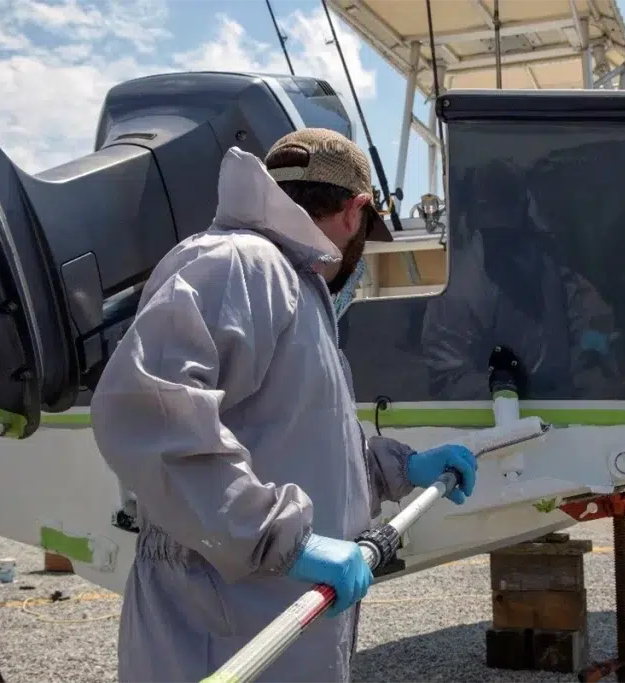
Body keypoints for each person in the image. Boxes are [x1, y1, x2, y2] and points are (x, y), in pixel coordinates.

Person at [89, 128, 478, 683]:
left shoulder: (292, 286)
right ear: (355, 211)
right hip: (221, 628)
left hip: (275, 617)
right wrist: (280, 540)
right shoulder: (241, 263)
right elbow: (148, 414)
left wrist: (394, 469)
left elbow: (289, 439)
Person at [421, 159, 617, 400]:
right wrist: (504, 389)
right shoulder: (458, 289)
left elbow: (584, 310)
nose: (501, 216)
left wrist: (595, 339)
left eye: (510, 204)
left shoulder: (545, 261)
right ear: (475, 212)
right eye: (490, 206)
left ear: (524, 206)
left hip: (565, 411)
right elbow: (447, 380)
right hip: (498, 426)